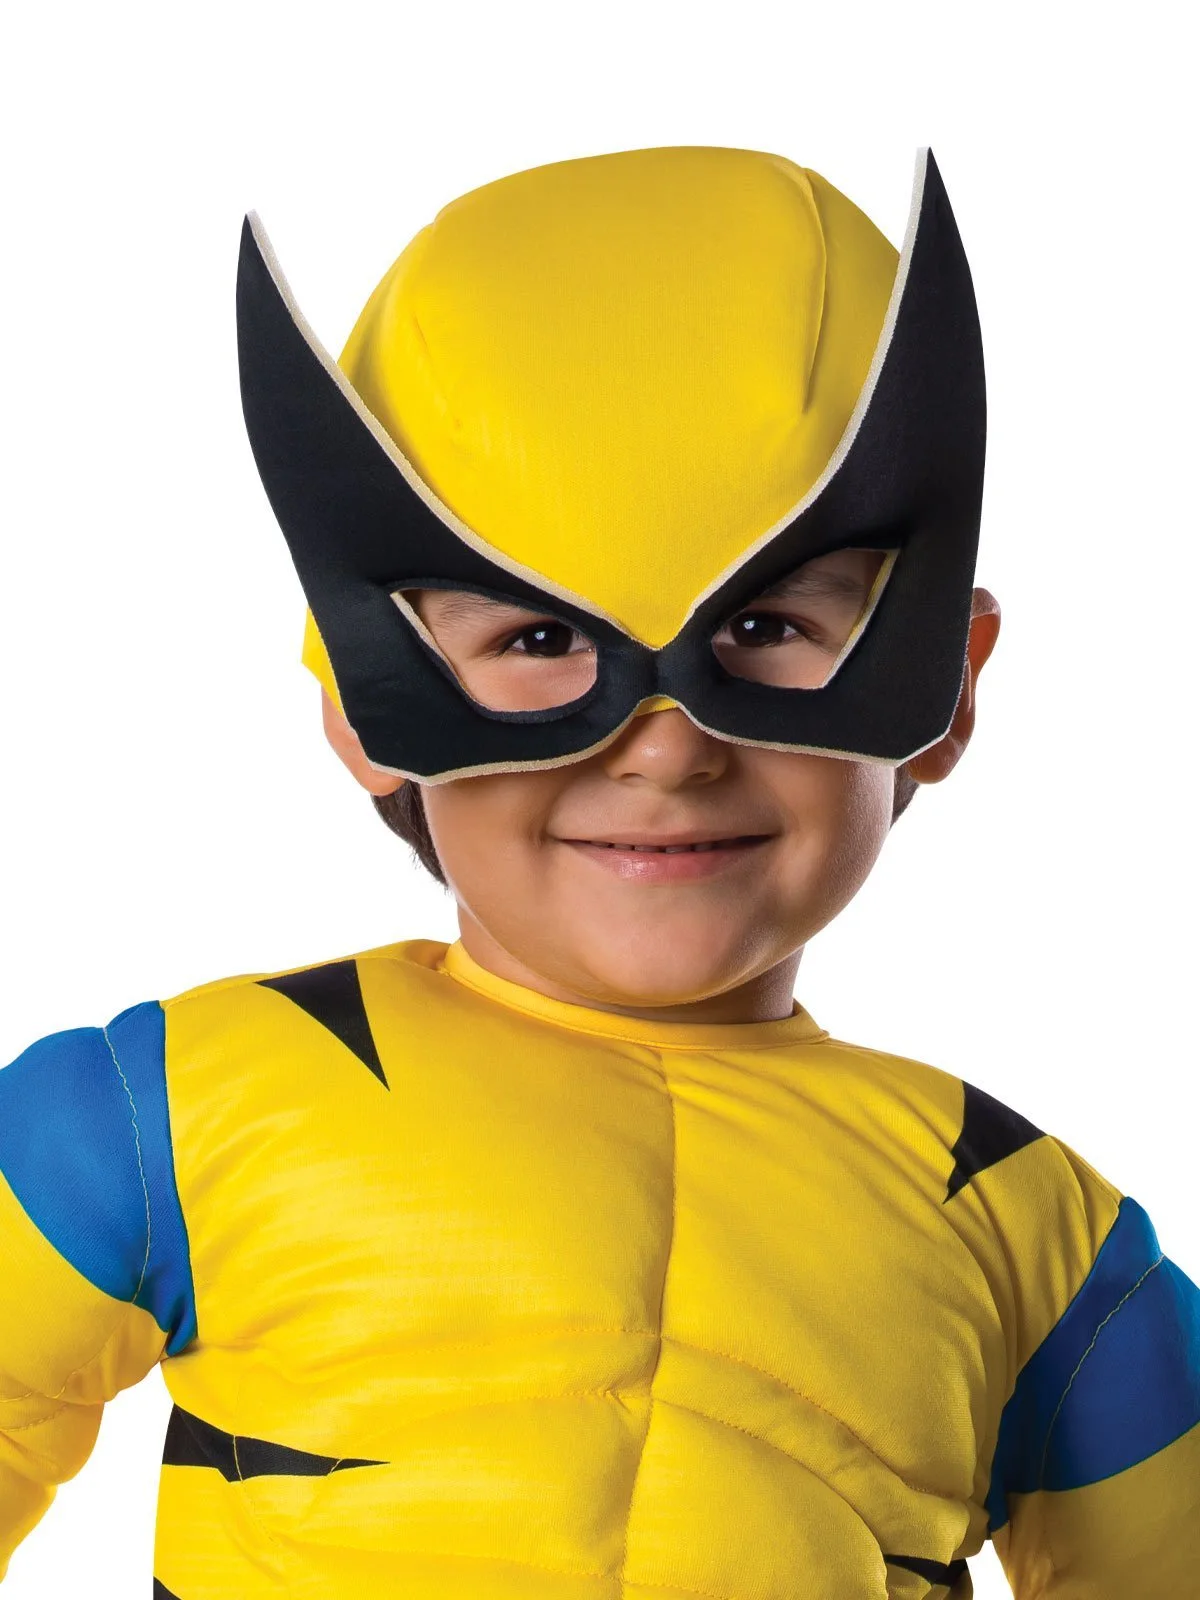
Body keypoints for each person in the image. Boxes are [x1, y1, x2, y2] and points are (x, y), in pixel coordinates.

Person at [1, 144, 1196, 1600]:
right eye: (538, 640)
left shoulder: (1027, 1227)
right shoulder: (167, 1116)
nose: (667, 751)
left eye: (768, 631)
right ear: (362, 704)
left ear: (947, 686)